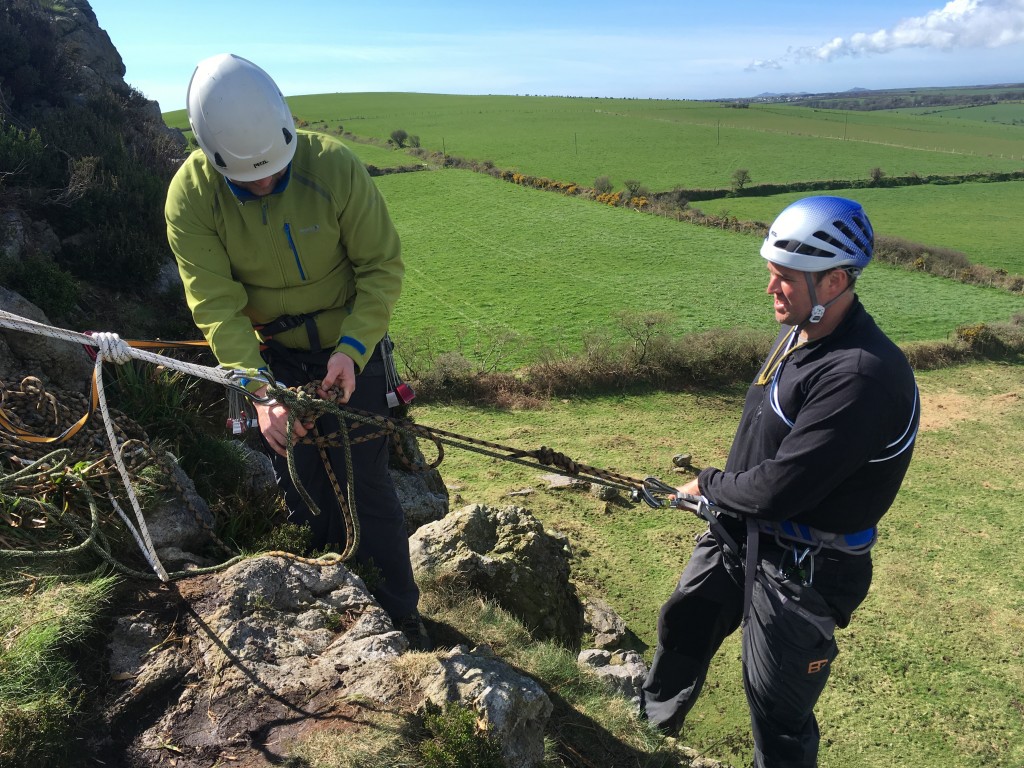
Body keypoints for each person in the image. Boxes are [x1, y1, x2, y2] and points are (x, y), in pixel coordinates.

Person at [641, 196, 920, 766]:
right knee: (684, 624)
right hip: (739, 532)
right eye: (771, 274)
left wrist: (707, 484)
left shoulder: (861, 376)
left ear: (835, 281)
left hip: (804, 565)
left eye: (784, 279)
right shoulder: (801, 331)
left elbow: (780, 489)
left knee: (777, 710)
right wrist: (722, 499)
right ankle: (645, 736)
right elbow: (764, 438)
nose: (771, 289)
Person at [164, 53, 430, 650]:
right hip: (272, 358)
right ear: (212, 159)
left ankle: (399, 617)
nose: (262, 184)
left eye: (274, 173)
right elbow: (215, 305)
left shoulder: (333, 167)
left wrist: (352, 351)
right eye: (245, 179)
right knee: (301, 478)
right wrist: (261, 393)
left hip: (350, 347)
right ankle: (334, 602)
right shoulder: (192, 198)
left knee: (366, 484)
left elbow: (380, 267)